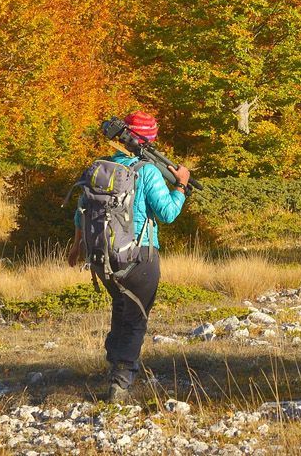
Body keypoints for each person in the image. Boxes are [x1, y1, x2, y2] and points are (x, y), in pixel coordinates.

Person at [69, 111, 192, 401]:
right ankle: (121, 381)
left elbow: (80, 212)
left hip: (102, 258)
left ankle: (115, 362)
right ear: (149, 139)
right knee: (136, 316)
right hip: (141, 256)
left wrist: (76, 246)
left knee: (121, 308)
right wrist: (182, 186)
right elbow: (168, 213)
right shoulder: (147, 171)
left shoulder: (100, 168)